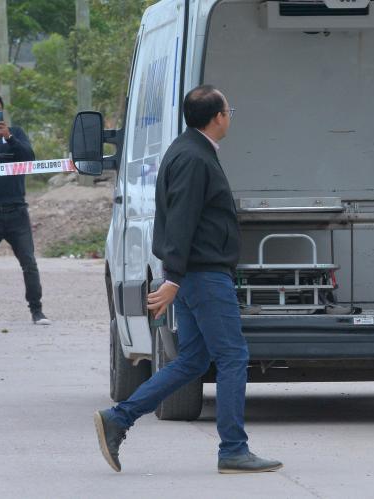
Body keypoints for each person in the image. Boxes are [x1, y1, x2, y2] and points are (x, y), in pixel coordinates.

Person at [93, 85, 281, 474]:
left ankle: (119, 418)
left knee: (194, 359)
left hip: (197, 274)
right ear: (218, 117)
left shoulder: (189, 150)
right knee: (233, 356)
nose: (230, 115)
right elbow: (181, 221)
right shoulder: (194, 158)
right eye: (229, 109)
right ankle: (233, 449)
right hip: (203, 275)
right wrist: (174, 278)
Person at [0, 93, 50, 325]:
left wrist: (10, 138)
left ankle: (37, 310)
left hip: (17, 210)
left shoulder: (15, 133)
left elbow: (30, 159)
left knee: (29, 263)